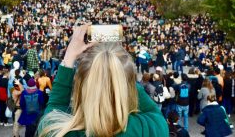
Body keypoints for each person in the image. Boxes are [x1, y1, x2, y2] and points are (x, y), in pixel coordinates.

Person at [37, 24, 169, 137]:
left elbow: (55, 108)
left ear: (81, 85)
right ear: (126, 83)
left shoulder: (59, 130)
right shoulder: (148, 128)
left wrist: (70, 56)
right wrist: (117, 67)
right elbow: (153, 112)